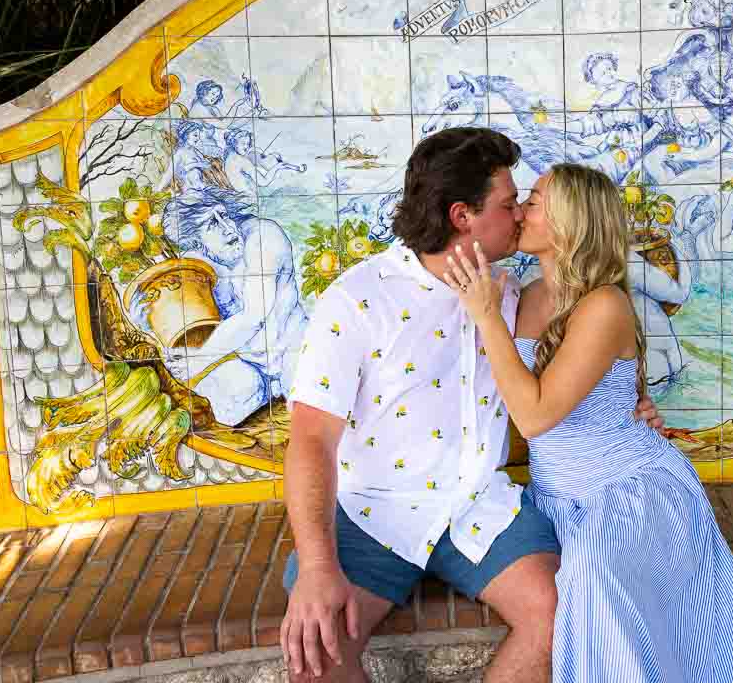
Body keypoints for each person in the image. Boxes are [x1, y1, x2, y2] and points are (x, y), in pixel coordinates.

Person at [280, 128, 663, 683]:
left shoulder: (509, 295)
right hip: (375, 512)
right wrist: (317, 566)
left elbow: (575, 373)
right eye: (510, 205)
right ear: (463, 216)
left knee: (564, 615)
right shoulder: (358, 299)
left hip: (478, 505)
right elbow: (311, 439)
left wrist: (632, 411)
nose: (519, 216)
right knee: (317, 653)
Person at [442, 163, 733, 683]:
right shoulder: (521, 295)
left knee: (595, 583)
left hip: (625, 487)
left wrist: (486, 319)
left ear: (570, 221)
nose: (521, 211)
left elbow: (536, 415)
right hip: (558, 494)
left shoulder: (604, 304)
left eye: (536, 201)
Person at [159, 188, 308, 423]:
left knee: (308, 415)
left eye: (223, 215)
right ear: (197, 242)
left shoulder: (264, 237)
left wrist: (198, 360)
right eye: (211, 224)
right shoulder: (198, 263)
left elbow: (254, 315)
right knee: (219, 412)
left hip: (294, 349)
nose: (228, 227)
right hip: (252, 366)